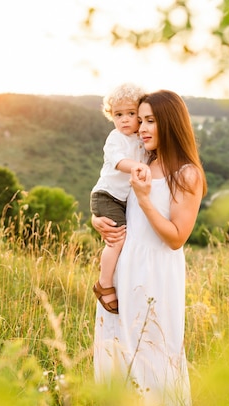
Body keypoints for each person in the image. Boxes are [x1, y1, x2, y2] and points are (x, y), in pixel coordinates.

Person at [92, 90, 207, 406]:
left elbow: (176, 238)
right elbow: (112, 200)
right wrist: (96, 218)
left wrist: (143, 198)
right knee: (120, 352)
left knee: (154, 350)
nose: (141, 128)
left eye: (150, 121)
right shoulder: (141, 163)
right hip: (122, 270)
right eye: (139, 120)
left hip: (156, 272)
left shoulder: (186, 173)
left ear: (170, 123)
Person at [90, 83, 148, 314]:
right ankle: (104, 283)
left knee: (127, 239)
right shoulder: (116, 138)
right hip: (107, 196)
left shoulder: (141, 137)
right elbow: (119, 162)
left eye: (131, 114)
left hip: (124, 198)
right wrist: (138, 167)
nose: (124, 120)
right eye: (118, 114)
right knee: (117, 239)